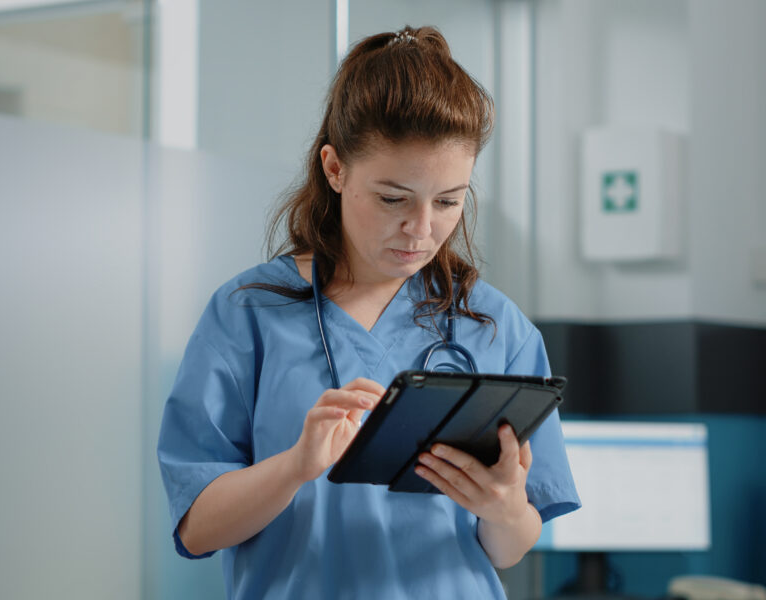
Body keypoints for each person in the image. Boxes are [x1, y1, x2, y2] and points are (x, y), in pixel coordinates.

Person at [158, 25, 580, 599]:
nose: (422, 228)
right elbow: (197, 527)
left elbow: (510, 545)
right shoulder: (248, 315)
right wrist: (295, 467)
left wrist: (504, 509)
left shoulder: (496, 326)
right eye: (393, 199)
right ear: (335, 169)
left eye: (449, 201)